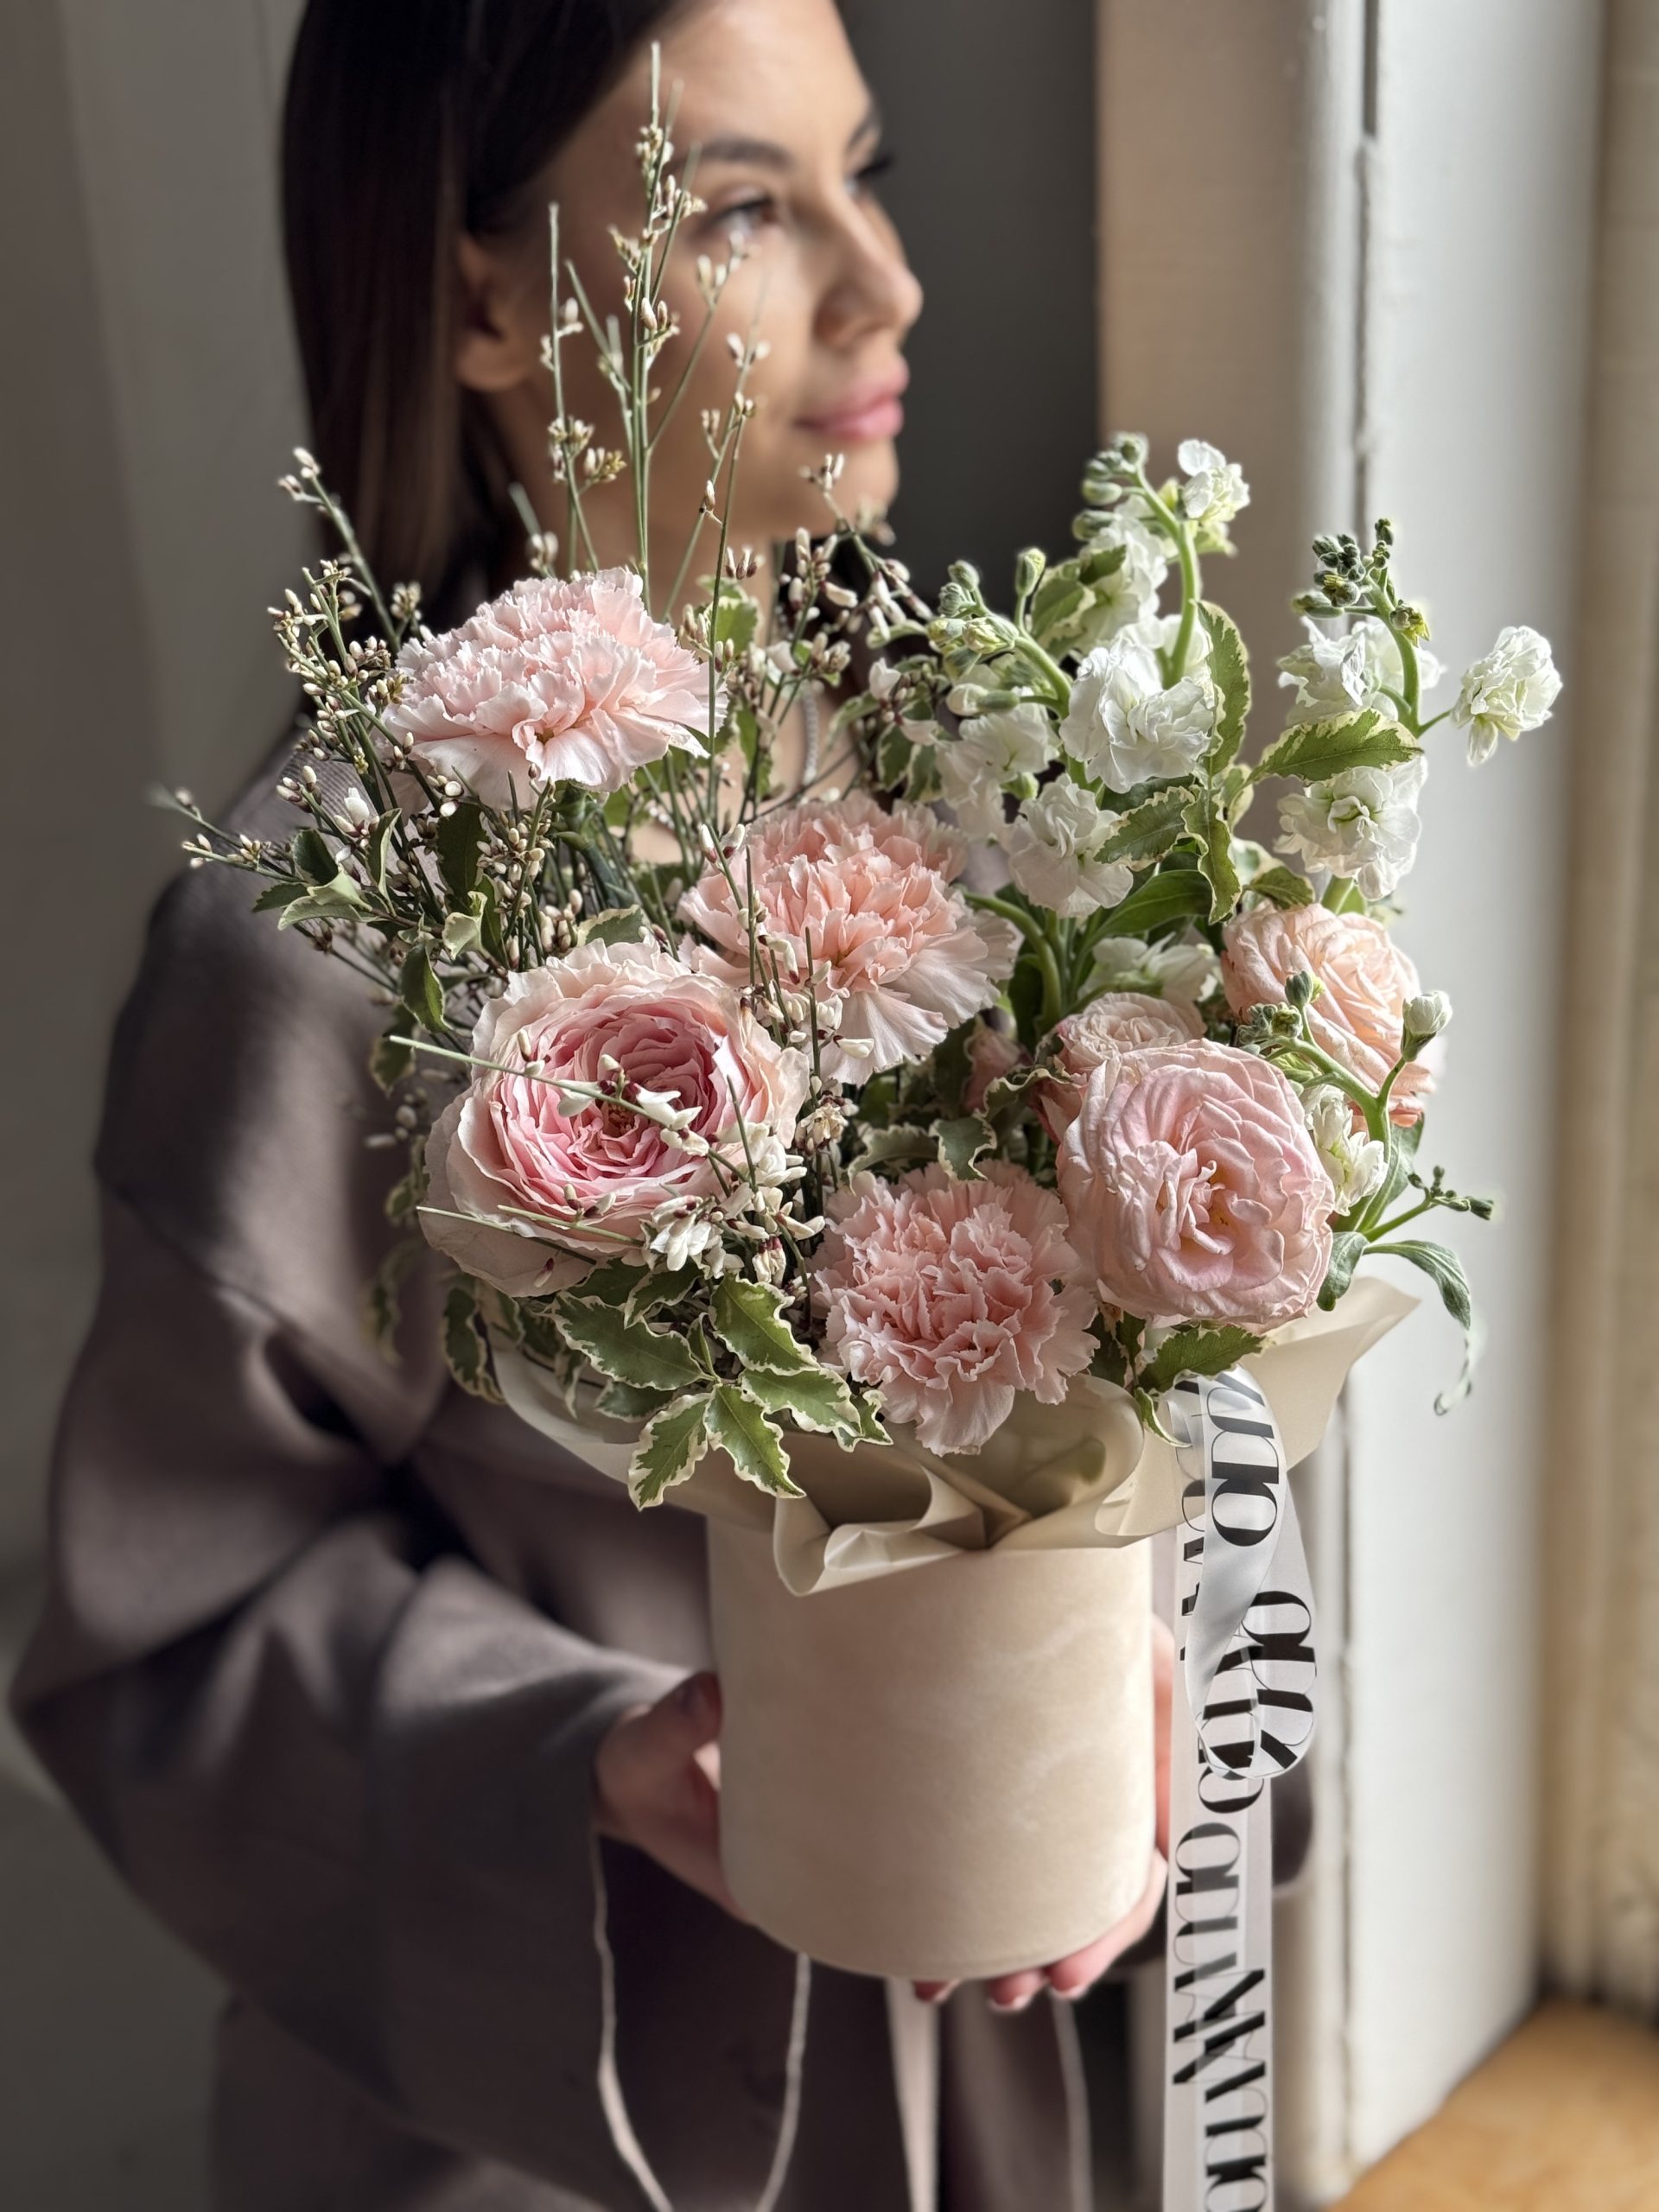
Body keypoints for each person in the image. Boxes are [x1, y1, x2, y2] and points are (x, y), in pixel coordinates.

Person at [11, 2, 1170, 2204]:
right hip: (567, 2101)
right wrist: (581, 1753)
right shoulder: (310, 955)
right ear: (481, 304)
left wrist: (1118, 1640)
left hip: (986, 2057)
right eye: (739, 207)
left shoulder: (1005, 793)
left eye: (865, 172)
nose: (886, 282)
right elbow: (167, 1638)